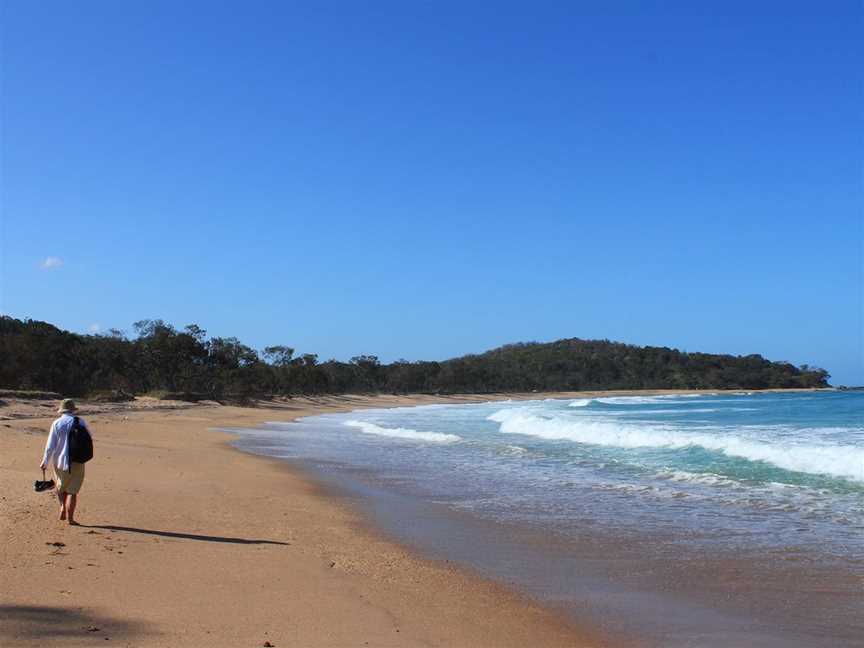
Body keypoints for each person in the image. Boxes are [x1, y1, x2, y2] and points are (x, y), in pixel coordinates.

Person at [40, 398, 90, 525]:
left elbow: (50, 445)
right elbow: (89, 438)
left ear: (61, 410)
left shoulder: (56, 423)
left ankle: (62, 506)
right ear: (73, 410)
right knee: (73, 492)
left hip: (60, 461)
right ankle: (71, 519)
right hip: (77, 460)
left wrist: (45, 461)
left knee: (60, 486)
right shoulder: (81, 421)